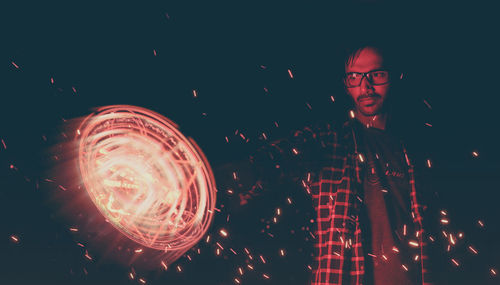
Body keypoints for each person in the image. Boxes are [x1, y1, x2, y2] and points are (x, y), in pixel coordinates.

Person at [221, 42, 432, 285]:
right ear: (346, 85)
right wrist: (235, 176)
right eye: (355, 77)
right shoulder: (331, 140)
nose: (366, 86)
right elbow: (280, 158)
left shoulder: (414, 153)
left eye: (377, 74)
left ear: (393, 77)